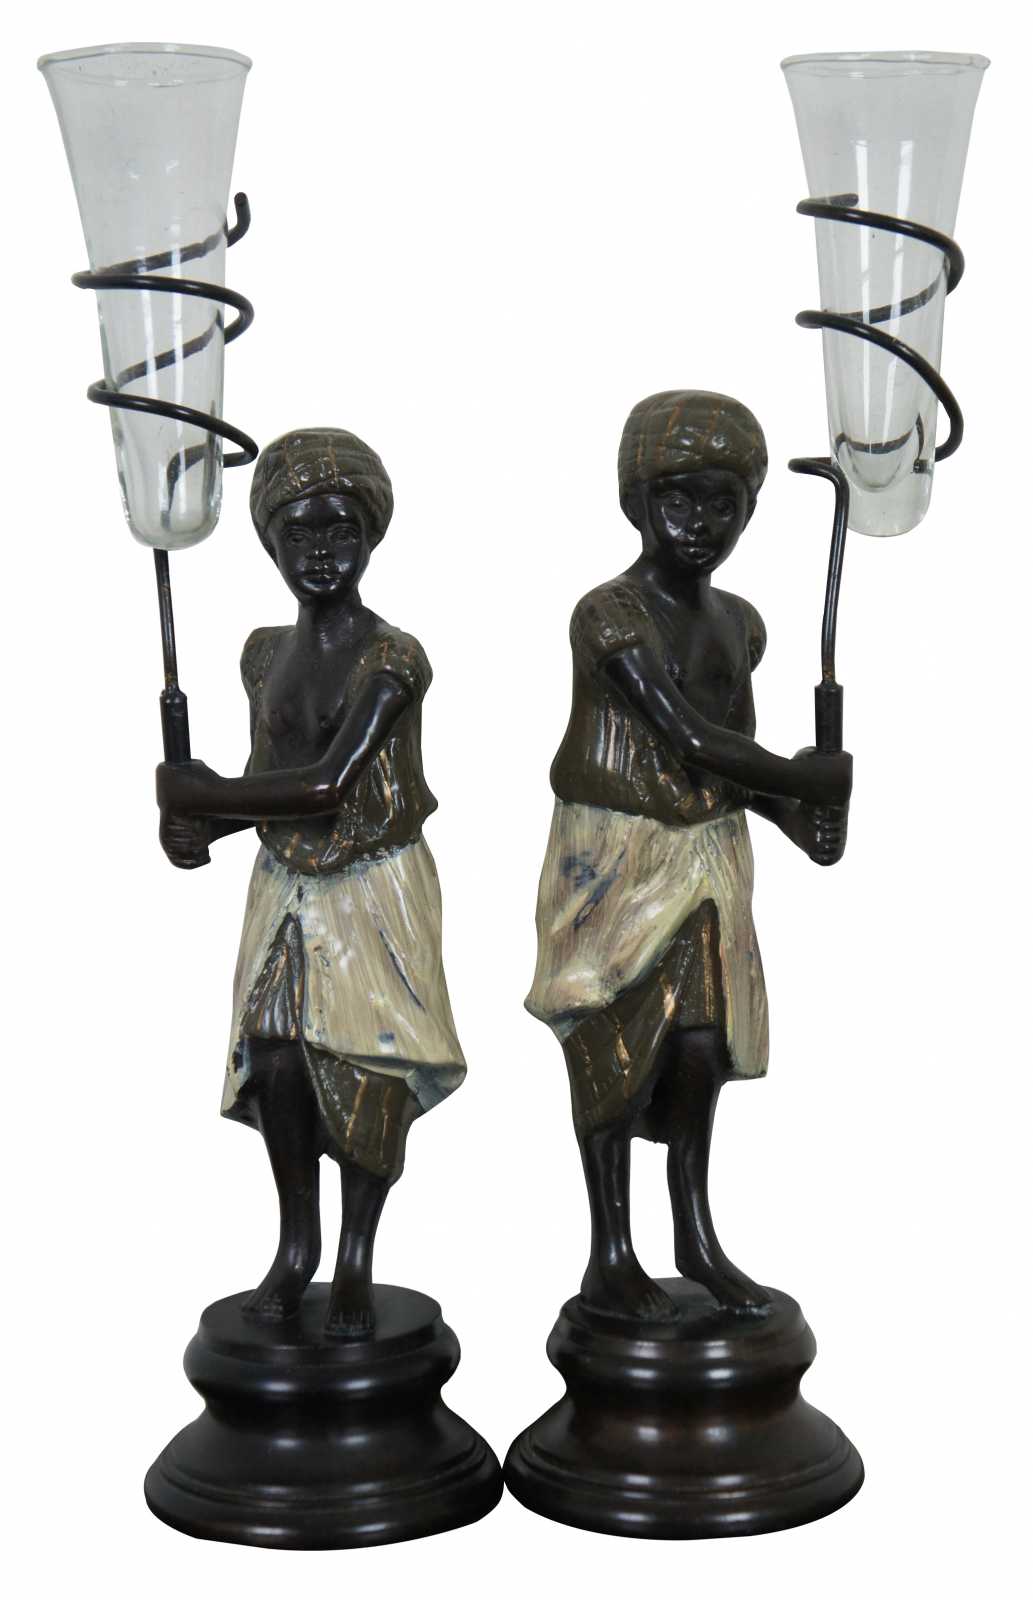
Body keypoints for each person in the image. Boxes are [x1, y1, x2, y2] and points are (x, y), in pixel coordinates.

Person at [526, 390, 852, 1321]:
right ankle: (610, 1251)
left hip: (708, 853)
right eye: (677, 499)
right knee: (612, 1042)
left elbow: (731, 761)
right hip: (616, 857)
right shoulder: (609, 615)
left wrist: (799, 815)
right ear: (635, 502)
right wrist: (805, 777)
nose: (699, 523)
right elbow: (688, 737)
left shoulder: (739, 624)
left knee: (701, 1044)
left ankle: (694, 1238)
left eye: (722, 503)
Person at [156, 427, 466, 1338]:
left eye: (340, 531)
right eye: (298, 534)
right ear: (269, 542)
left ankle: (355, 1255)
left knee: (364, 1066)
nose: (320, 552)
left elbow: (327, 784)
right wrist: (199, 826)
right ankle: (297, 1245)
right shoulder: (263, 655)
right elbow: (269, 781)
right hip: (286, 882)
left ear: (371, 537)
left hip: (372, 886)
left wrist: (204, 794)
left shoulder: (392, 658)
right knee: (279, 1058)